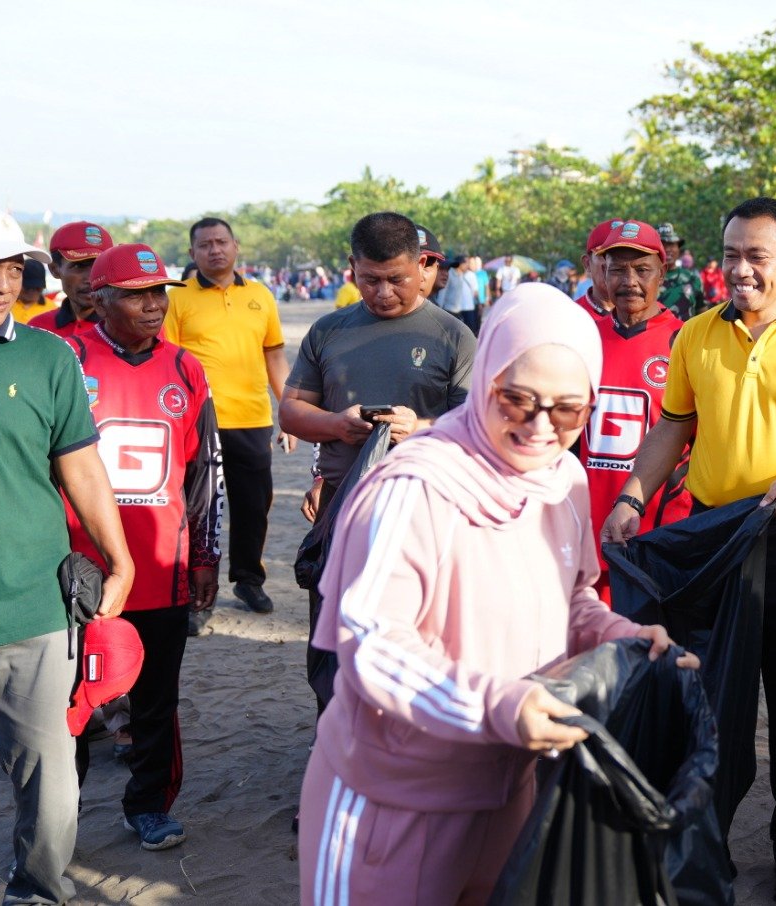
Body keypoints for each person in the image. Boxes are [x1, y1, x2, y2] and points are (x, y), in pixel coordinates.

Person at [296, 283, 695, 905]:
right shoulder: (415, 489)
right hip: (396, 799)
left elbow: (572, 598)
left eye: (568, 410)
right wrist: (498, 708)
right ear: (483, 379)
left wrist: (621, 637)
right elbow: (373, 644)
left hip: (509, 784)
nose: (540, 427)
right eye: (517, 400)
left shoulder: (561, 479)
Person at [604, 197, 776, 903]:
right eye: (731, 254)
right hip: (713, 533)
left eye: (757, 256)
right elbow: (673, 429)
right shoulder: (696, 335)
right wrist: (634, 496)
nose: (741, 270)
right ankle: (704, 835)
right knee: (708, 690)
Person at [0, 205, 134, 905]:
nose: (4, 281)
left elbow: (82, 468)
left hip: (35, 607)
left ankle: (39, 893)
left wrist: (119, 558)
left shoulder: (48, 357)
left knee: (51, 776)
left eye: (13, 266)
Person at [280, 213, 477, 708]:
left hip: (425, 514)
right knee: (334, 636)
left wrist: (422, 429)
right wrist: (338, 424)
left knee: (419, 636)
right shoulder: (329, 331)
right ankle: (334, 735)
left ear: (422, 266)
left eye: (397, 279)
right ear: (351, 268)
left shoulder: (454, 337)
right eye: (370, 279)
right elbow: (291, 411)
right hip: (341, 514)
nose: (384, 292)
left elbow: (477, 430)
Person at [65, 242, 222, 851]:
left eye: (158, 293)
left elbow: (205, 471)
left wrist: (205, 556)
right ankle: (61, 808)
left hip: (162, 567)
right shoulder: (66, 358)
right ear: (99, 299)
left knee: (156, 698)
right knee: (72, 699)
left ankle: (150, 805)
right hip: (79, 571)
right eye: (136, 294)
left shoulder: (186, 368)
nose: (153, 305)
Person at [164, 217, 294, 629]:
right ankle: (196, 593)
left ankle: (248, 579)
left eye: (222, 242)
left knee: (254, 505)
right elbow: (167, 360)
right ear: (192, 254)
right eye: (205, 245)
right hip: (197, 421)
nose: (215, 250)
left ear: (236, 246)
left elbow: (274, 354)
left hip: (252, 417)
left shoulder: (261, 295)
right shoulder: (178, 298)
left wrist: (288, 412)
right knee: (198, 508)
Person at [576, 219, 692, 600]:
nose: (629, 281)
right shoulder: (582, 338)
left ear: (663, 270)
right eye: (617, 269)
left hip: (658, 533)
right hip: (588, 530)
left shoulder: (685, 341)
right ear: (601, 272)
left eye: (642, 269)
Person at [28, 220, 115, 339]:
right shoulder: (38, 329)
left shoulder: (126, 331)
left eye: (99, 266)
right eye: (79, 266)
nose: (91, 278)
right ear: (54, 269)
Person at [656, 223, 706, 320]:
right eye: (662, 244)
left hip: (687, 334)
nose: (667, 249)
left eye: (671, 244)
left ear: (678, 248)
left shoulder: (692, 279)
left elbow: (703, 314)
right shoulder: (645, 280)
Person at [413, 224, 447, 302]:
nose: (419, 276)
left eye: (427, 265)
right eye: (411, 264)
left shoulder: (440, 314)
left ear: (436, 269)